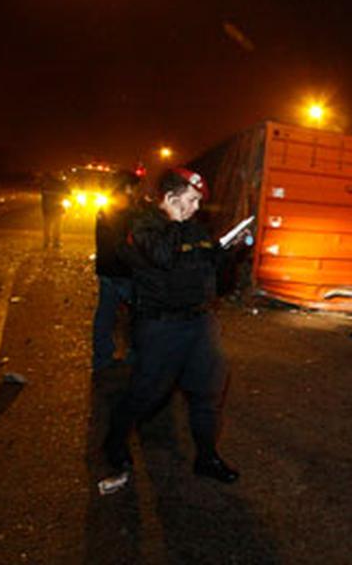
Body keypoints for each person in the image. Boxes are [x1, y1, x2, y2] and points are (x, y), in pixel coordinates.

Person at [103, 167, 246, 483]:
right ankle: (114, 442)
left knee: (209, 391)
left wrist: (228, 254)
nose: (196, 208)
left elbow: (214, 278)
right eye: (191, 200)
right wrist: (175, 221)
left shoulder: (194, 228)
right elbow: (163, 257)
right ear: (169, 198)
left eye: (198, 202)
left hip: (199, 323)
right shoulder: (144, 225)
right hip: (160, 328)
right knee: (147, 394)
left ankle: (207, 457)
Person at [91, 173, 140, 372]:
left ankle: (102, 357)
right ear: (126, 188)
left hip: (107, 268)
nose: (136, 191)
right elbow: (128, 242)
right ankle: (133, 355)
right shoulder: (126, 209)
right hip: (123, 271)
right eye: (134, 187)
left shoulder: (105, 208)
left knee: (106, 314)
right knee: (137, 315)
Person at [40, 172, 69, 249]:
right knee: (56, 226)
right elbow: (68, 194)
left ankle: (48, 242)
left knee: (49, 226)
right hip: (56, 208)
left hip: (49, 208)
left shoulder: (48, 183)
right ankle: (55, 242)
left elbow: (44, 194)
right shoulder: (61, 184)